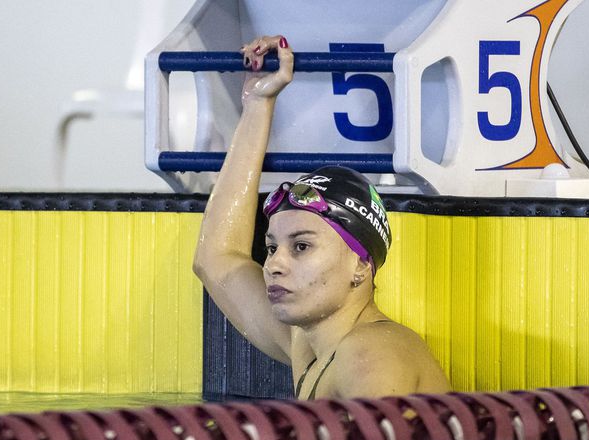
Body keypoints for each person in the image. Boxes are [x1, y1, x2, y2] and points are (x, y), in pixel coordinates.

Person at [193, 35, 450, 399]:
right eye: (271, 248)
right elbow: (215, 258)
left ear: (361, 265)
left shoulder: (370, 354)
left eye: (300, 246)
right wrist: (257, 104)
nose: (274, 265)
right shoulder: (311, 344)